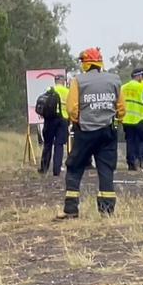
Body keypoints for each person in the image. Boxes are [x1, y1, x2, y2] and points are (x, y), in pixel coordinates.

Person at [57, 48, 125, 218]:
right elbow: (122, 108)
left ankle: (71, 210)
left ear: (86, 63)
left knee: (74, 167)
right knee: (106, 169)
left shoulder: (78, 81)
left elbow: (72, 108)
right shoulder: (115, 80)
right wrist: (115, 122)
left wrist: (78, 122)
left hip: (85, 132)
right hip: (108, 131)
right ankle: (107, 211)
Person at [121, 68, 143, 170]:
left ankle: (131, 163)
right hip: (139, 118)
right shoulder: (142, 87)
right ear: (139, 76)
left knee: (130, 141)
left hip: (126, 119)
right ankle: (142, 159)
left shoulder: (123, 87)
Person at [39, 74, 69, 176]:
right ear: (63, 81)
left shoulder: (50, 89)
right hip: (63, 119)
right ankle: (57, 170)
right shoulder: (67, 91)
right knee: (59, 145)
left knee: (47, 144)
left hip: (50, 119)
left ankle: (44, 168)